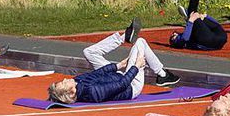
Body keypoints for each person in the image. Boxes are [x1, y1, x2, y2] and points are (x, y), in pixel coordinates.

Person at [47, 19, 180, 104]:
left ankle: (124, 37)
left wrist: (118, 65)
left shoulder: (77, 82)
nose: (64, 79)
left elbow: (98, 73)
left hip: (117, 76)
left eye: (61, 81)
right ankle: (162, 75)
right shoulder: (92, 92)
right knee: (141, 42)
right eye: (63, 84)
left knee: (89, 52)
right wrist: (136, 66)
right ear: (71, 93)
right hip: (131, 85)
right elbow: (122, 85)